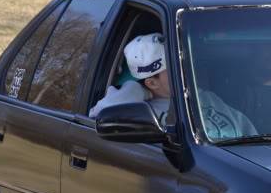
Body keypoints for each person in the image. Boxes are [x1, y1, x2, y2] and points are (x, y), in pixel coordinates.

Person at [91, 33, 255, 140]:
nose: (185, 70)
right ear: (152, 83)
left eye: (183, 62)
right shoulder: (143, 112)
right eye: (174, 68)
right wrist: (133, 89)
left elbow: (248, 132)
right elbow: (96, 115)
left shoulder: (204, 97)